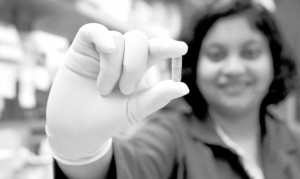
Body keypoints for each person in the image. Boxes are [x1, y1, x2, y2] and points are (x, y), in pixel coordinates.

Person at [46, 1, 300, 179]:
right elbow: (131, 168)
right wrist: (80, 155)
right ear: (194, 65)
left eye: (250, 53)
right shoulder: (169, 135)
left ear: (274, 61)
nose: (233, 68)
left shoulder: (291, 139)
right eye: (215, 54)